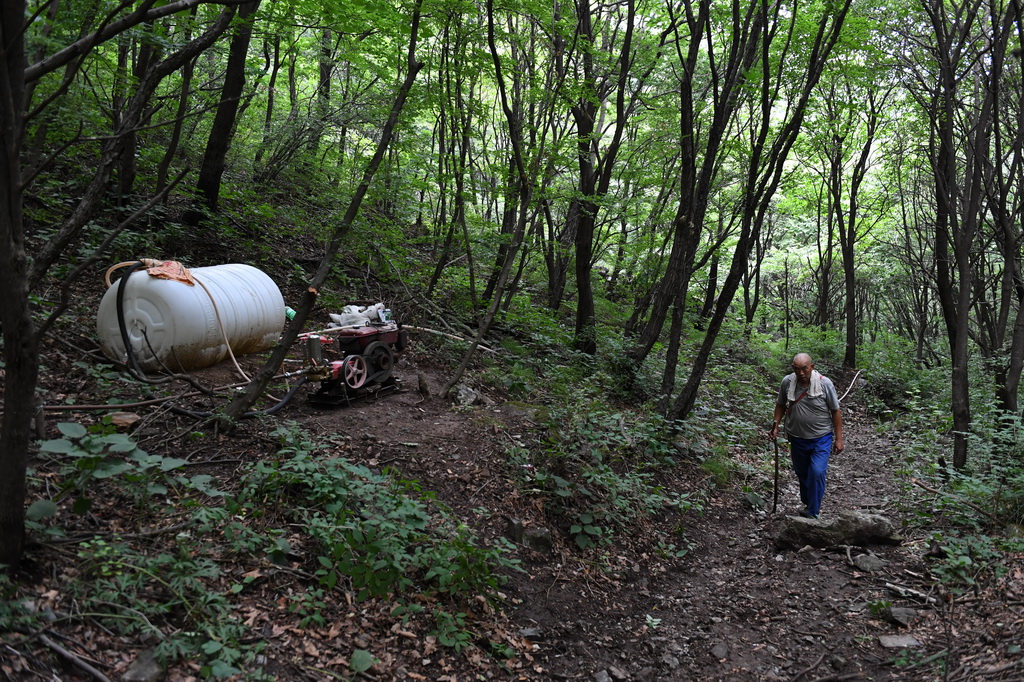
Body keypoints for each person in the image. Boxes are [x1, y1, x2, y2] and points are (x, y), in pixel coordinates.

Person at [768, 353, 844, 518]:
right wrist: (775, 426)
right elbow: (780, 404)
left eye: (805, 369)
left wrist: (839, 438)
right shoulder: (787, 382)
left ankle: (813, 513)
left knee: (816, 472)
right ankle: (809, 502)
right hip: (796, 438)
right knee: (802, 473)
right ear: (792, 368)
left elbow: (835, 412)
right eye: (797, 369)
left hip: (821, 438)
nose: (801, 373)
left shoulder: (825, 384)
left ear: (812, 367)